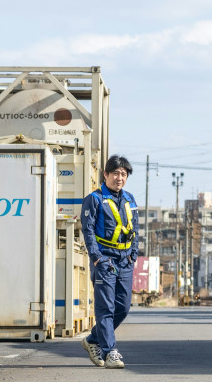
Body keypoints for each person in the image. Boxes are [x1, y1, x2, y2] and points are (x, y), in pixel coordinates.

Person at [79, 155, 139, 369]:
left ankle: (93, 339)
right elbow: (87, 230)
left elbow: (136, 230)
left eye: (123, 174)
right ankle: (110, 351)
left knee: (122, 308)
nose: (119, 177)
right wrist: (96, 258)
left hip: (125, 261)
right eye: (115, 173)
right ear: (105, 174)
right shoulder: (94, 199)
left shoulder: (130, 199)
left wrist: (134, 254)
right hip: (104, 260)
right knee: (106, 308)